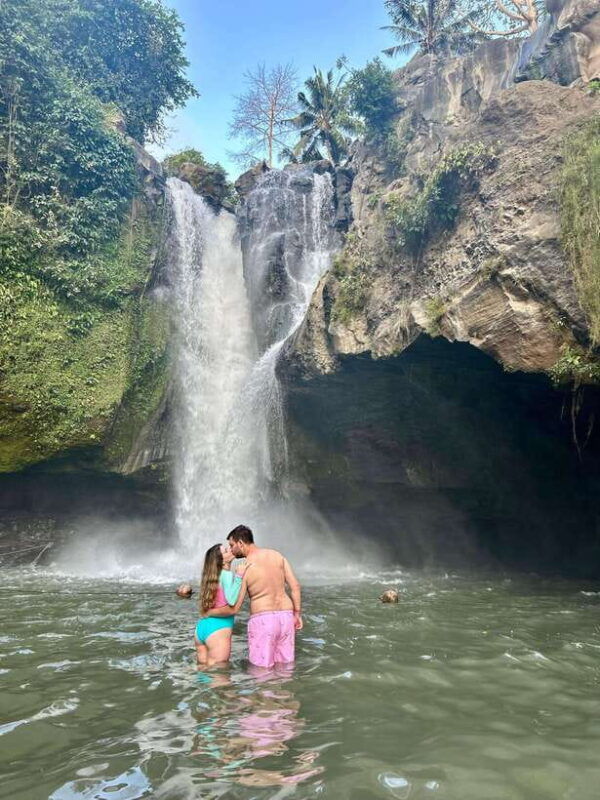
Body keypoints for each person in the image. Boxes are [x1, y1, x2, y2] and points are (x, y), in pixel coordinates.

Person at [203, 525, 303, 669]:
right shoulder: (277, 555)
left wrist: (209, 612)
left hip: (264, 620)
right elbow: (295, 586)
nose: (230, 550)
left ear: (241, 543)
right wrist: (297, 614)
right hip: (286, 618)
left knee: (261, 671)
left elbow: (234, 608)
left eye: (232, 545)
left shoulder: (246, 566)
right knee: (286, 667)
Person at [195, 543, 245, 667]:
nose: (230, 550)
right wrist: (239, 576)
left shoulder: (210, 578)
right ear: (221, 561)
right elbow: (232, 601)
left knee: (203, 673)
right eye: (226, 551)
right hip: (218, 630)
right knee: (220, 678)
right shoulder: (227, 574)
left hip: (201, 629)